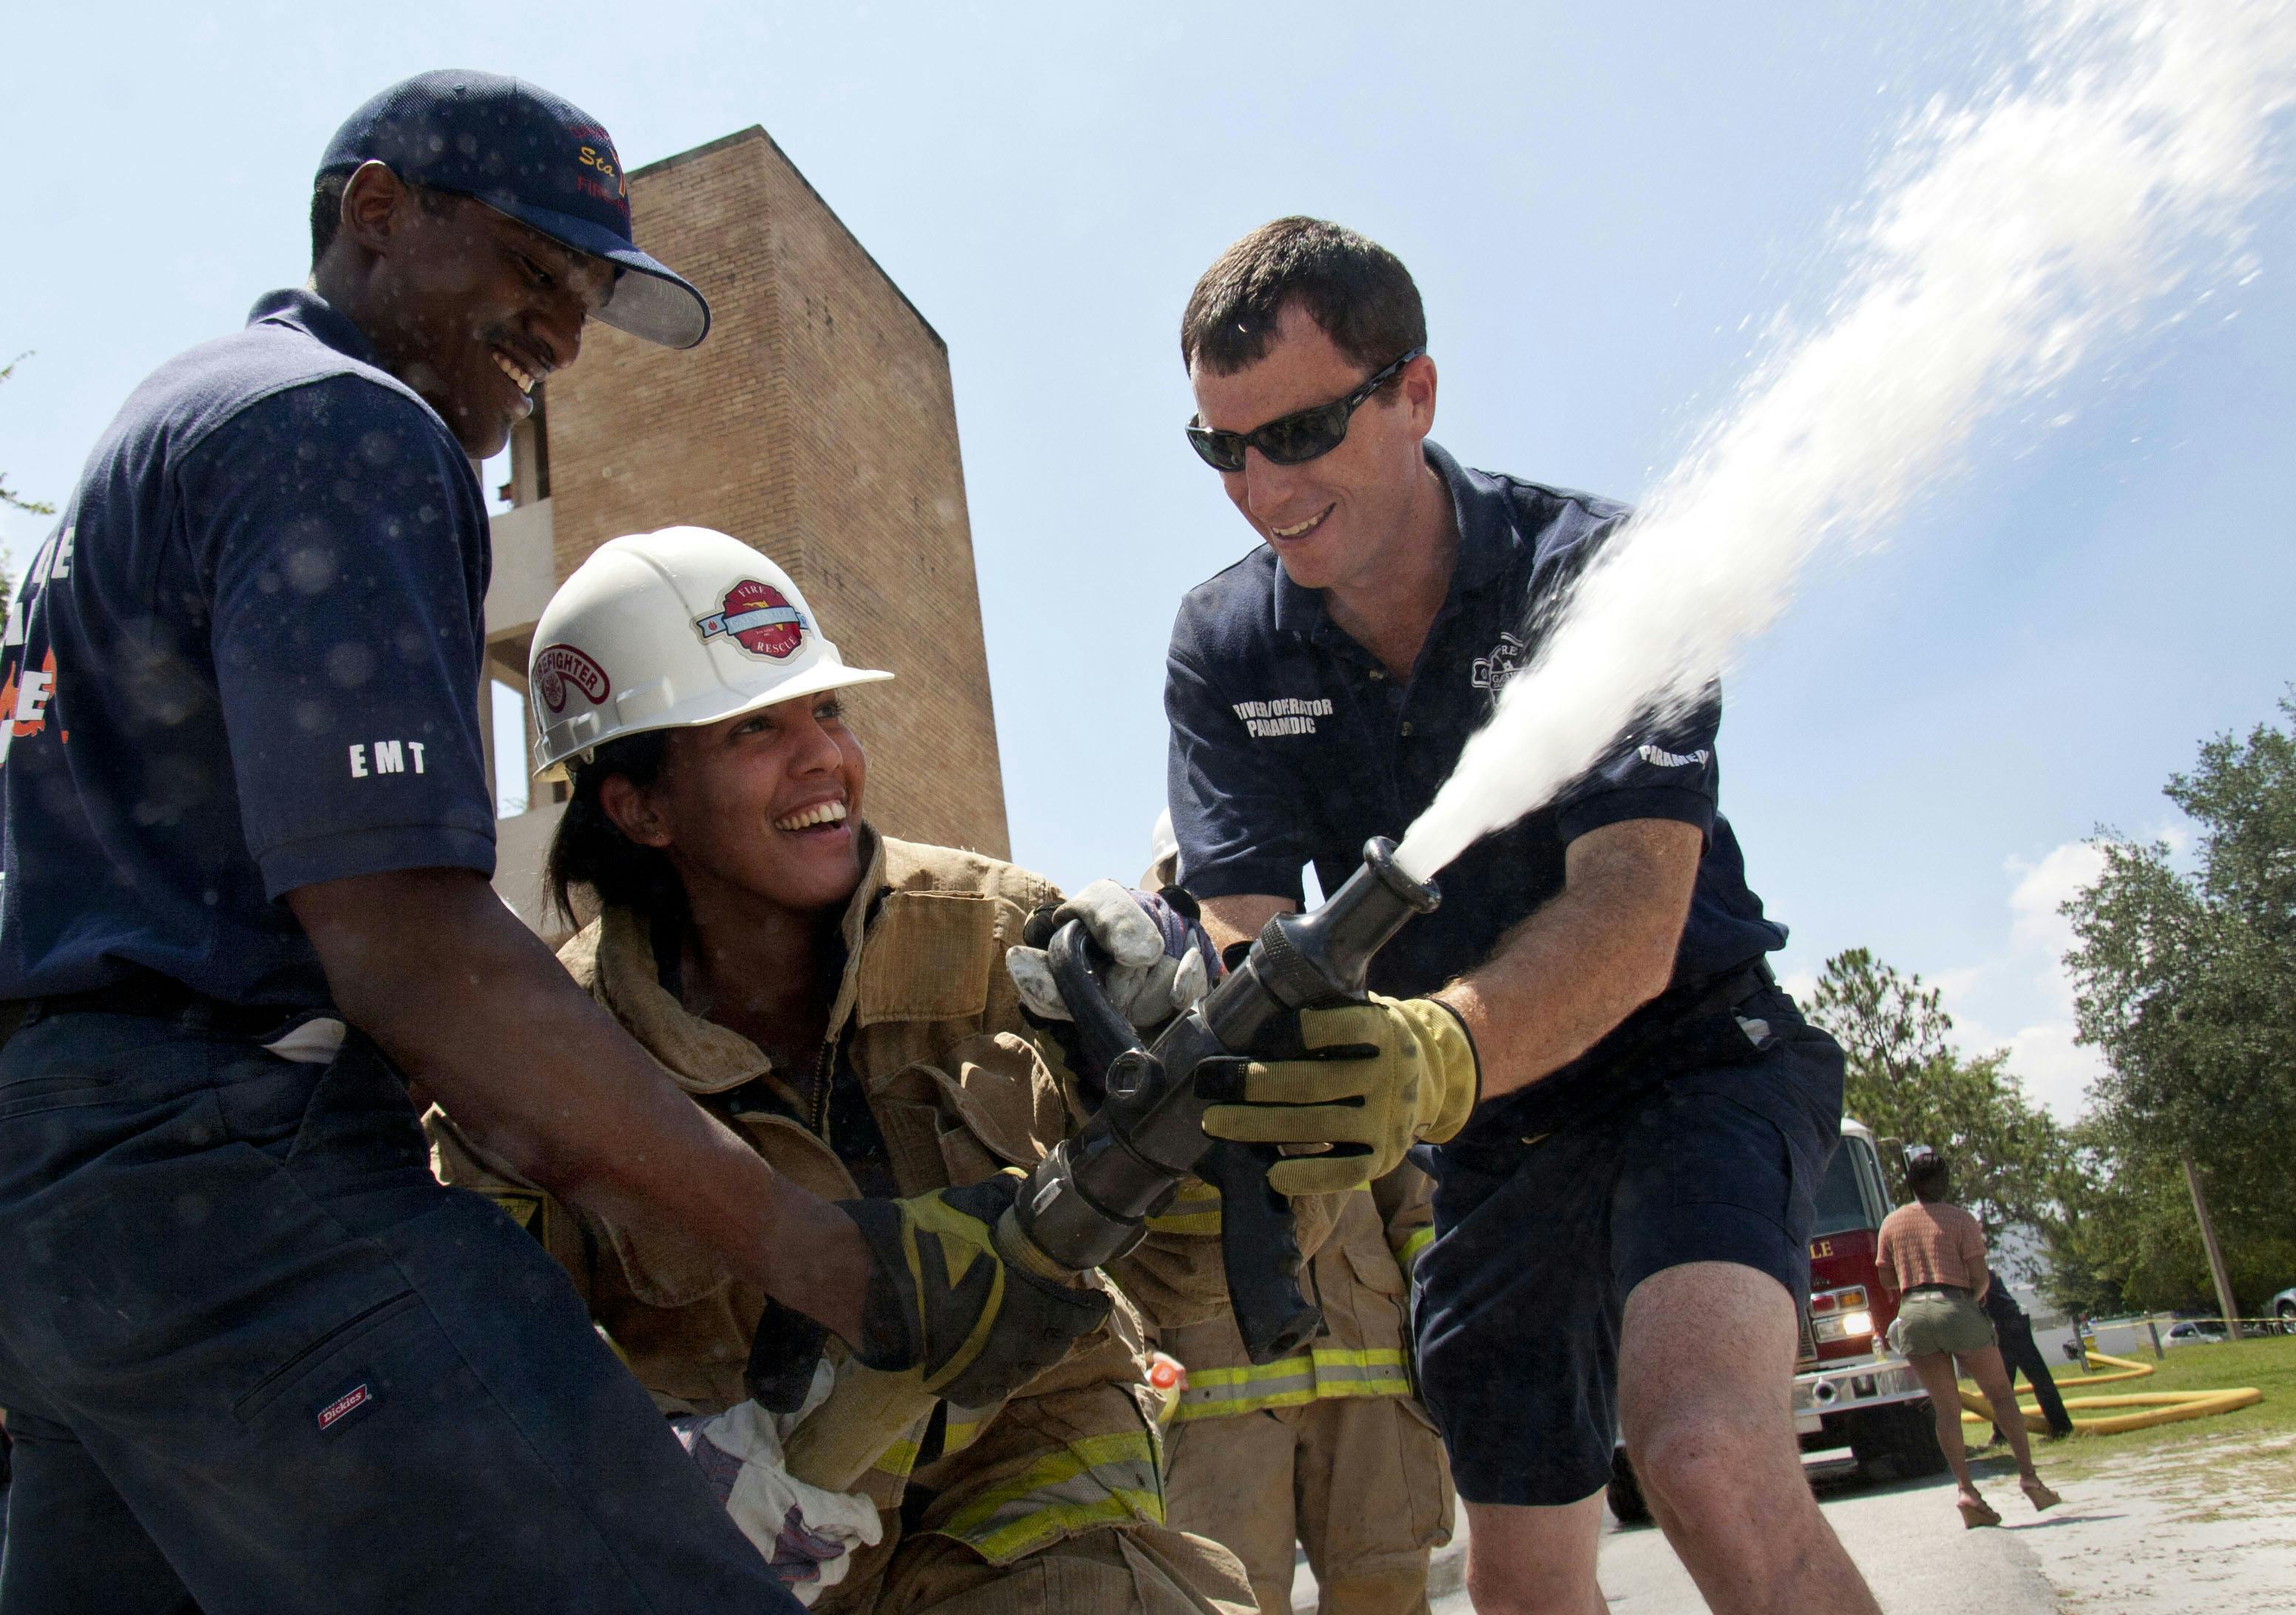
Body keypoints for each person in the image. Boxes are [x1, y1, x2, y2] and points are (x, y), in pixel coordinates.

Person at [0, 72, 1097, 1612]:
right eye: (533, 271)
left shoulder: (169, 427)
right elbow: (405, 947)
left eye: (584, 296)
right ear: (375, 215)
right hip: (239, 1189)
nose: (563, 337)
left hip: (66, 1230)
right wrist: (832, 1257)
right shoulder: (342, 429)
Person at [1160, 217, 1878, 1615]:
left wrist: (1426, 1047)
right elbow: (1242, 920)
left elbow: (1629, 913)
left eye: (1298, 431)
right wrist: (1283, 1058)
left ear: (1413, 391)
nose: (1259, 487)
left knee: (1704, 1449)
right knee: (1521, 1589)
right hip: (1485, 1138)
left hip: (1692, 1068)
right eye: (1219, 447)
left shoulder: (1597, 572)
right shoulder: (1224, 642)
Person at [430, 525, 1280, 1612]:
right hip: (747, 1569)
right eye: (755, 728)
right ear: (638, 807)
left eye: (827, 710)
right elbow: (460, 1376)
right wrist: (658, 1476)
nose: (825, 755)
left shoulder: (1001, 939)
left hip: (1038, 1506)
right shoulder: (546, 1058)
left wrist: (1206, 1105)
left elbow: (1190, 1284)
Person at [1139, 816, 1456, 1615]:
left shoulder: (1332, 996)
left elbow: (1407, 1189)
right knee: (1230, 1600)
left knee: (1386, 1583)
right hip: (1216, 1386)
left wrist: (1436, 1316)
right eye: (1189, 886)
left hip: (1368, 1367)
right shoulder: (1140, 1022)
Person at [1874, 1150, 2062, 1526]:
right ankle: (2029, 1478)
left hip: (1912, 1313)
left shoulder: (1892, 1223)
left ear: (1910, 1184)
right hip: (1956, 1305)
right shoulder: (1961, 1220)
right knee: (2001, 1397)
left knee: (1946, 1409)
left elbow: (1886, 1279)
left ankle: (1966, 1492)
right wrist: (1972, 1306)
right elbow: (1980, 1278)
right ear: (1944, 1183)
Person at [1979, 1266, 2075, 1441]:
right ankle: (2060, 1426)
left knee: (2008, 1384)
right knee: (2015, 1382)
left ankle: (2060, 1427)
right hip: (2012, 1323)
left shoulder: (1976, 1271)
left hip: (2008, 1325)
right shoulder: (1983, 1269)